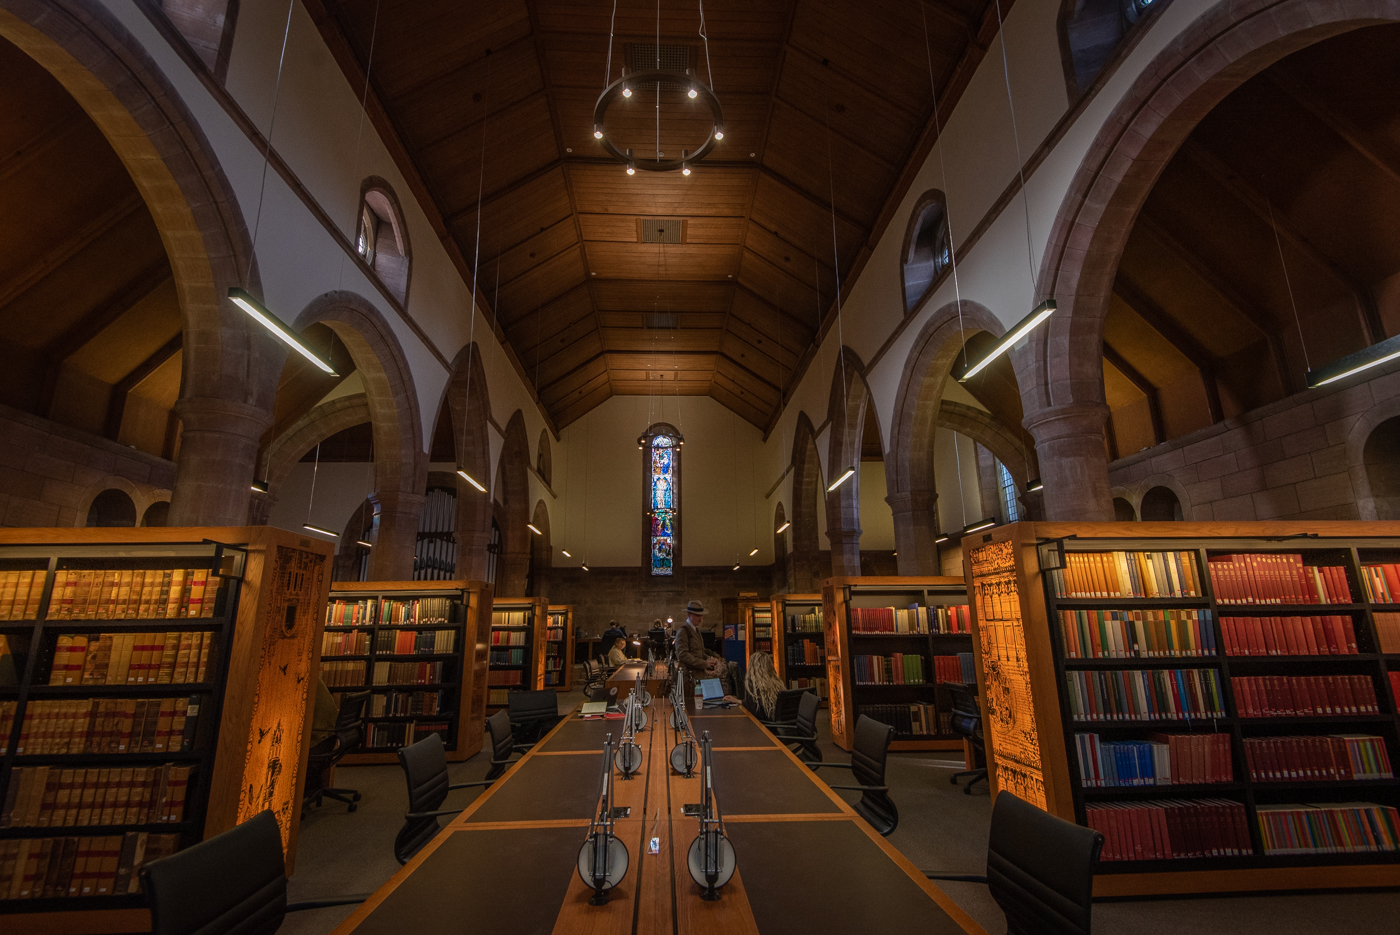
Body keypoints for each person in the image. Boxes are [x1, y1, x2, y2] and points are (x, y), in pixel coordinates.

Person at [744, 651, 786, 721]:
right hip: (778, 722)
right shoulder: (778, 682)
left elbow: (753, 710)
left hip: (763, 726)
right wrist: (742, 702)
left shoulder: (752, 684)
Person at [676, 599, 708, 681]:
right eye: (697, 615)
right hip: (688, 677)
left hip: (697, 675)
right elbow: (682, 655)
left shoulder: (696, 631)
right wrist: (704, 664)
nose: (700, 619)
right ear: (689, 615)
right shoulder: (683, 631)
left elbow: (699, 651)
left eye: (701, 616)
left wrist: (709, 659)